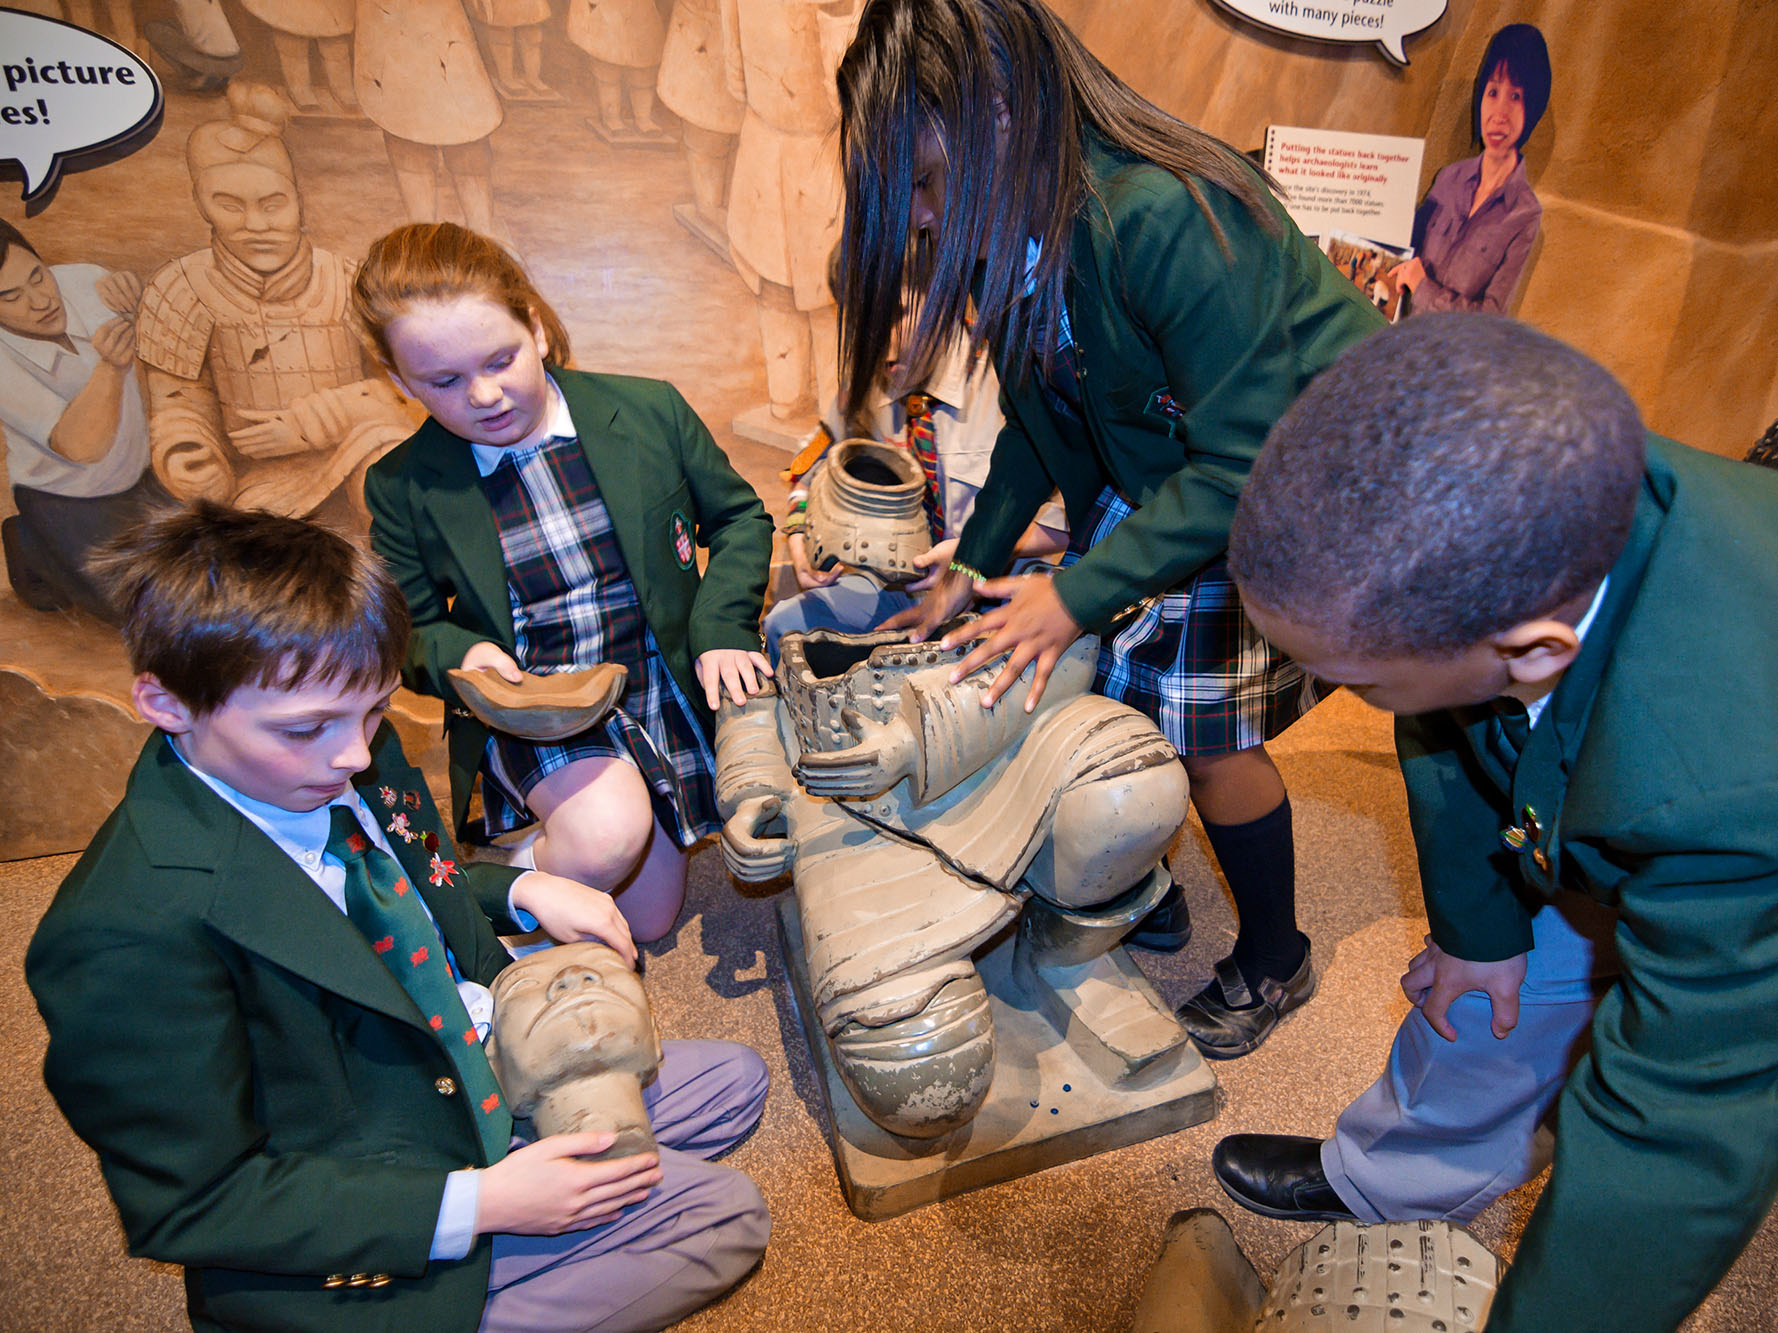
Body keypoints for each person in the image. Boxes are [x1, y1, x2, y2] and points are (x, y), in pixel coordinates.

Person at [26, 503, 770, 1333]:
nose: (351, 753)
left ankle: (558, 1186)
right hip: (372, 1195)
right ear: (165, 702)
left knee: (736, 1084)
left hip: (457, 1064)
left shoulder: (340, 743)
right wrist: (482, 1202)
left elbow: (406, 886)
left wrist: (519, 889)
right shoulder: (121, 931)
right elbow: (195, 1204)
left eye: (374, 710)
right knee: (727, 1214)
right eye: (305, 728)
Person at [833, 0, 1385, 1050]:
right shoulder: (1013, 243)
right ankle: (1138, 881)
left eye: (921, 184)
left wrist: (1076, 588)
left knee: (1207, 732)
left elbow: (1243, 458)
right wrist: (978, 563)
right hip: (1177, 469)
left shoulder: (1166, 211)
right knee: (1125, 698)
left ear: (995, 111)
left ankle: (1275, 953)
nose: (916, 220)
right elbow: (1043, 431)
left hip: (1283, 478)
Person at [1210, 314, 1778, 1332]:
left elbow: (1678, 1128)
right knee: (1482, 985)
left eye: (1353, 682)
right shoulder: (1514, 513)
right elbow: (1442, 720)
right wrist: (1479, 932)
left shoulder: (1722, 791)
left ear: (1529, 648)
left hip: (1735, 828)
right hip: (1617, 786)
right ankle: (1392, 1179)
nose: (1340, 699)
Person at [356, 222, 773, 943]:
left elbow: (740, 520)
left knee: (647, 920)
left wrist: (721, 629)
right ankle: (501, 882)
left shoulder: (648, 411)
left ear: (539, 329)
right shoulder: (402, 485)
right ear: (400, 383)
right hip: (538, 706)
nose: (484, 394)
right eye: (443, 382)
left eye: (500, 358)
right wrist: (462, 655)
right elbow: (407, 627)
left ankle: (573, 840)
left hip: (652, 682)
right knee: (609, 836)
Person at [766, 311, 1067, 661]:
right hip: (903, 588)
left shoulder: (1008, 372)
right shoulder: (870, 376)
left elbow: (1071, 519)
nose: (879, 339)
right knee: (785, 627)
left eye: (896, 311)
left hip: (997, 591)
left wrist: (974, 553)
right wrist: (798, 531)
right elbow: (810, 465)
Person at [0, 220, 166, 620]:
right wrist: (110, 369)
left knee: (216, 571)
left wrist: (146, 300)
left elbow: (165, 342)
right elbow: (80, 447)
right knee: (148, 615)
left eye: (38, 276)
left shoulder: (86, 281)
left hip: (141, 476)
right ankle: (28, 540)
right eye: (9, 297)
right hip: (65, 498)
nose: (41, 302)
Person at [1390, 24, 1550, 315]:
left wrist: (1423, 288)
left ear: (1533, 106)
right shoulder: (1449, 178)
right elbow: (1403, 254)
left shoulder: (1525, 215)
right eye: (1492, 92)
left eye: (1515, 97)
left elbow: (1489, 320)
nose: (1499, 114)